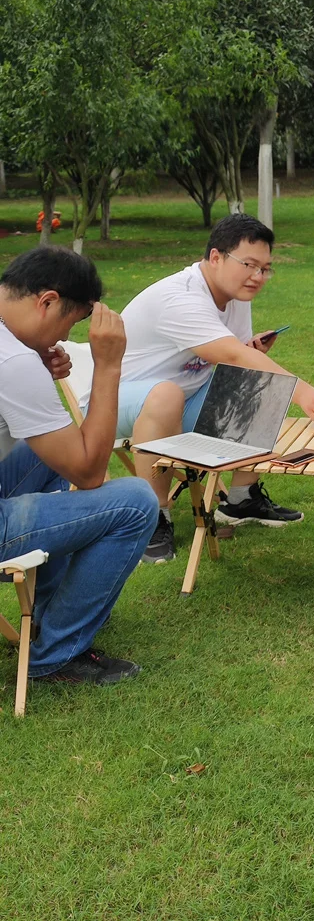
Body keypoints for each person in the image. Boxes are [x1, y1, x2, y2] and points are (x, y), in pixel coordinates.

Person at [82, 213, 314, 563]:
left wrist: (249, 352)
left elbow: (234, 355)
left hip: (186, 395)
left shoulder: (236, 294)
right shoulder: (178, 297)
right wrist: (305, 393)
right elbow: (228, 352)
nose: (258, 277)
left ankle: (241, 499)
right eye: (249, 265)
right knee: (166, 394)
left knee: (256, 381)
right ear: (215, 257)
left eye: (265, 268)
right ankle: (152, 517)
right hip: (117, 403)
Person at [0, 247, 159, 686]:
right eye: (69, 325)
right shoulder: (12, 361)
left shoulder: (14, 348)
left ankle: (47, 617)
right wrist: (107, 366)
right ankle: (53, 655)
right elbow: (88, 471)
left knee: (46, 454)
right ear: (47, 301)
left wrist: (36, 360)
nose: (63, 340)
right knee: (136, 502)